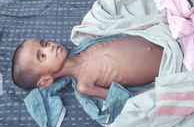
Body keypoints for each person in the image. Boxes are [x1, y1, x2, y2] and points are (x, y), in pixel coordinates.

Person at [11, 36, 163, 98]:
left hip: (161, 39)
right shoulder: (84, 86)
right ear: (45, 81)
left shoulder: (87, 46)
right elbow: (125, 97)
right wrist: (157, 91)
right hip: (165, 66)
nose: (49, 47)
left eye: (44, 43)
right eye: (42, 56)